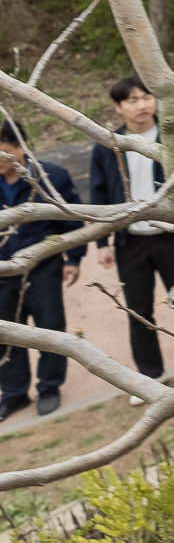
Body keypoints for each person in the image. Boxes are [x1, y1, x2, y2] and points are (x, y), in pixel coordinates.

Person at [88, 76, 174, 398]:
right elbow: (98, 194)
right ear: (118, 107)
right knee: (139, 311)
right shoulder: (107, 146)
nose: (142, 105)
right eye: (132, 100)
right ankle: (150, 376)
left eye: (146, 97)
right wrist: (102, 242)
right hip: (131, 242)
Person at [0, 117, 84, 420]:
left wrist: (74, 258)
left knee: (49, 328)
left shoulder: (51, 177)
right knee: (7, 334)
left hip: (43, 268)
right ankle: (14, 393)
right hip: (1, 274)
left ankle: (50, 387)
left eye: (2, 152)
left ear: (21, 149)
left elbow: (72, 222)